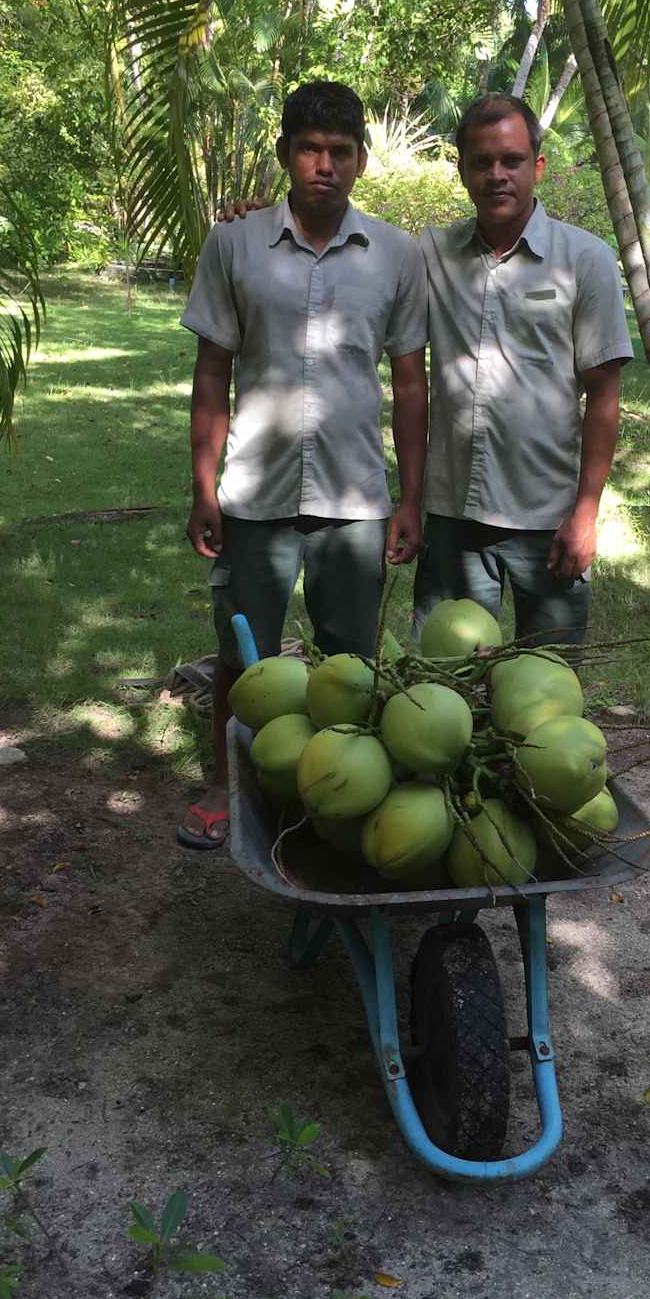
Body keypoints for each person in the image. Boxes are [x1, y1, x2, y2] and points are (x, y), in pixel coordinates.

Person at [177, 80, 428, 850]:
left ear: (361, 161)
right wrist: (204, 487)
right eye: (310, 149)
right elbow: (212, 372)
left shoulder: (395, 254)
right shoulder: (234, 244)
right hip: (255, 490)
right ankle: (226, 784)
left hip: (354, 498)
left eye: (340, 152)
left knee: (349, 663)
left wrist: (410, 498)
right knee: (240, 649)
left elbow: (410, 382)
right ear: (286, 153)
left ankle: (336, 791)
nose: (324, 165)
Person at [414, 94, 631, 647]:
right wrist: (261, 218)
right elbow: (355, 246)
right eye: (482, 162)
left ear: (538, 165)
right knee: (445, 682)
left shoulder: (585, 260)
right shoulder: (431, 255)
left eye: (511, 160)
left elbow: (604, 396)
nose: (497, 175)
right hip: (454, 514)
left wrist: (586, 513)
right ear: (462, 170)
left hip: (547, 516)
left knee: (546, 686)